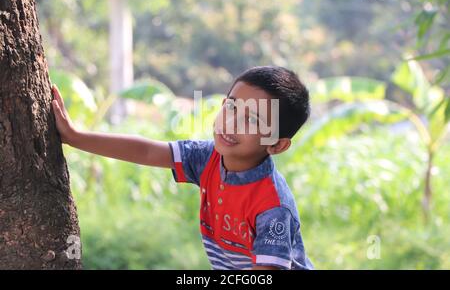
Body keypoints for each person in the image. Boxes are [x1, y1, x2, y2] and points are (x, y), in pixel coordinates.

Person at [51, 66, 313, 270]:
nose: (232, 123)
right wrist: (74, 137)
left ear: (277, 145)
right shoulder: (207, 157)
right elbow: (147, 151)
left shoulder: (273, 207)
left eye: (252, 119)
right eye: (232, 107)